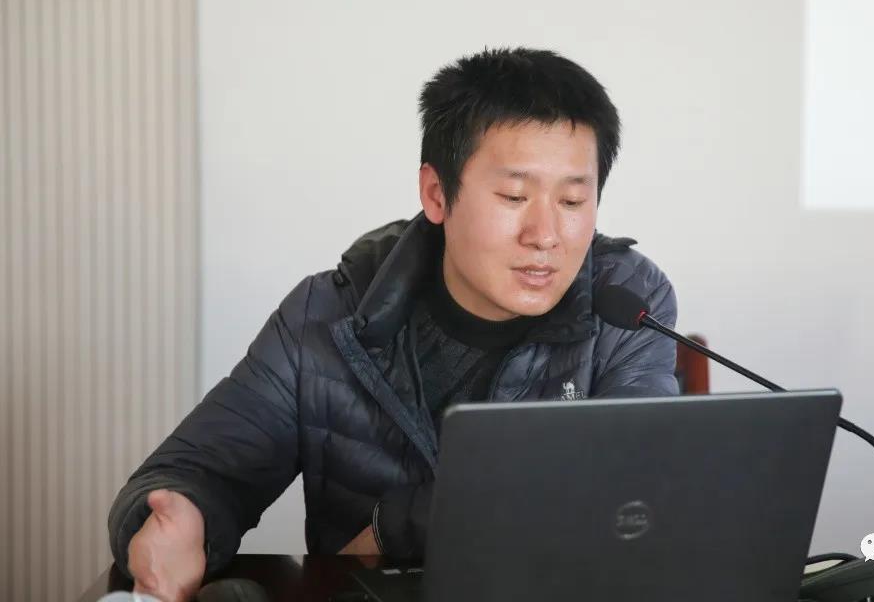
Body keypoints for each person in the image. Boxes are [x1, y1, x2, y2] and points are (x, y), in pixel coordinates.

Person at [107, 47, 679, 602]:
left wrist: (395, 525)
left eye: (573, 203)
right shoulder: (327, 316)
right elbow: (194, 471)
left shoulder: (627, 304)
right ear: (436, 193)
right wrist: (178, 517)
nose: (545, 236)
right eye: (513, 195)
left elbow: (633, 497)